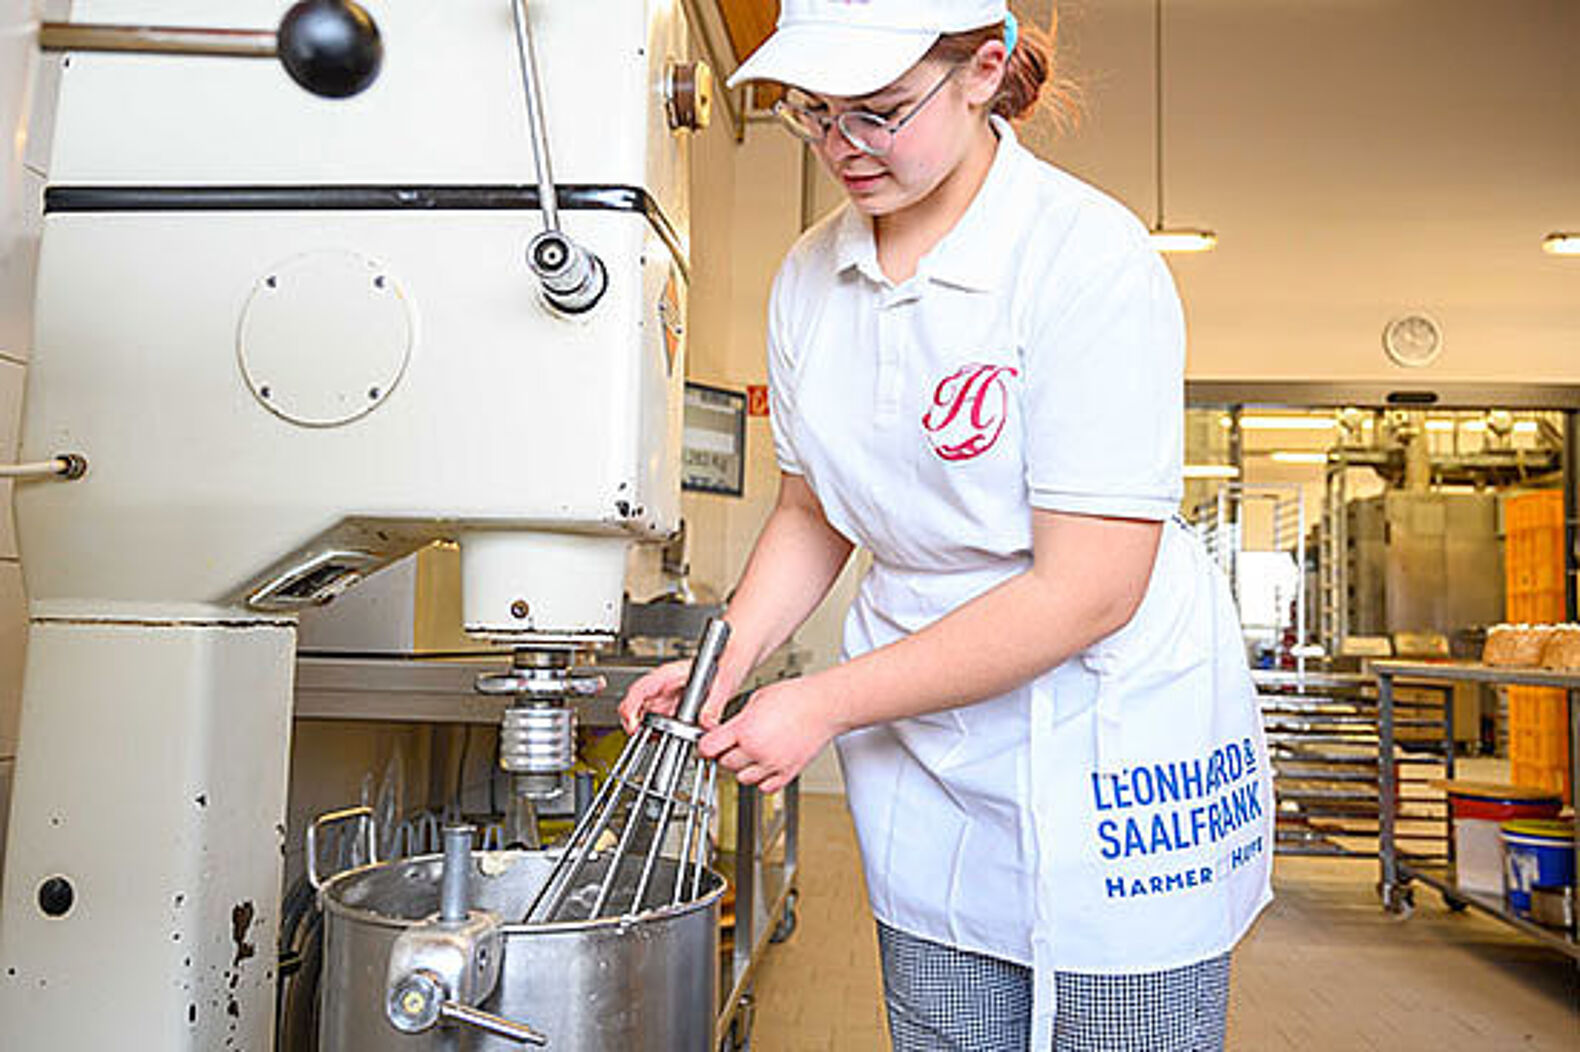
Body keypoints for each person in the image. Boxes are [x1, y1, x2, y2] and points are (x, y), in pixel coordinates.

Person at [620, 3, 1273, 1049]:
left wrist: (823, 700)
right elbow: (810, 506)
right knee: (947, 1012)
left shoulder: (1083, 258)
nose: (842, 148)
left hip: (1102, 724)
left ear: (981, 70)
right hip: (925, 729)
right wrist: (723, 660)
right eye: (814, 114)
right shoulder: (808, 277)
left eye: (877, 112)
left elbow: (1089, 586)